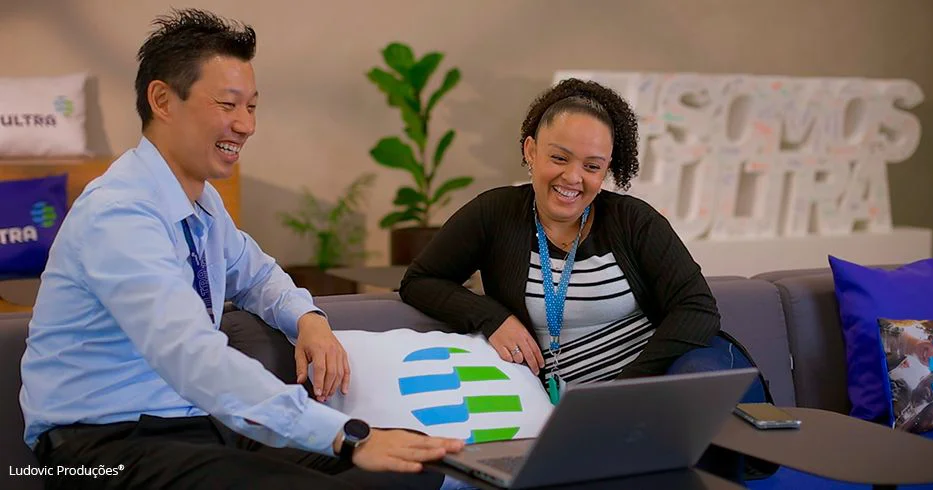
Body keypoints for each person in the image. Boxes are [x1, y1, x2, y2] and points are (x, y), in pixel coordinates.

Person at [19, 9, 460, 490]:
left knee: (415, 471)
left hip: (198, 429)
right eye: (228, 104)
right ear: (163, 100)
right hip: (97, 448)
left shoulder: (201, 202)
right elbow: (192, 356)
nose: (246, 125)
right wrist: (346, 436)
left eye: (252, 106)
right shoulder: (118, 214)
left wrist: (308, 320)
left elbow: (257, 275)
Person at [399, 78, 765, 402]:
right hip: (560, 409)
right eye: (559, 157)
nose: (573, 177)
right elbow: (420, 281)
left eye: (592, 166)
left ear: (607, 169)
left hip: (655, 387)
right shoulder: (494, 213)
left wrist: (626, 389)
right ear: (531, 150)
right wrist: (491, 317)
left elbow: (697, 309)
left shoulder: (633, 220)